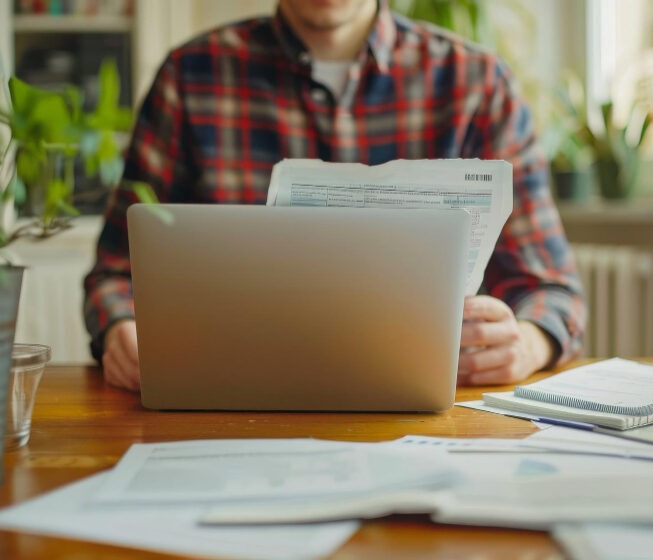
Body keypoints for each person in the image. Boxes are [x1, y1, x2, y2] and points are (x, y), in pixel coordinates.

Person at [84, 0, 586, 392]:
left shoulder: (476, 84)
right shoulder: (190, 76)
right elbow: (115, 273)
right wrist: (119, 329)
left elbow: (553, 292)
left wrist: (526, 344)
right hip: (233, 403)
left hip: (429, 417)